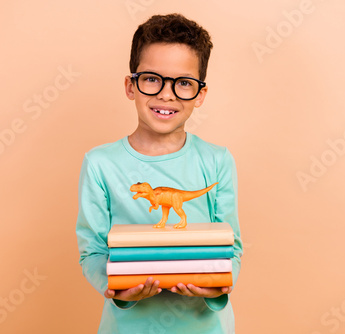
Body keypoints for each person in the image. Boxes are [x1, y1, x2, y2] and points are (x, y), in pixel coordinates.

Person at [76, 13, 243, 333]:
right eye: (153, 78)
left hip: (204, 326)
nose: (167, 94)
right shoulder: (100, 163)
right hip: (127, 326)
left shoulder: (217, 160)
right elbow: (93, 251)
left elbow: (231, 247)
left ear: (200, 94)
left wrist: (218, 287)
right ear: (131, 85)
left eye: (183, 83)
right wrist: (117, 291)